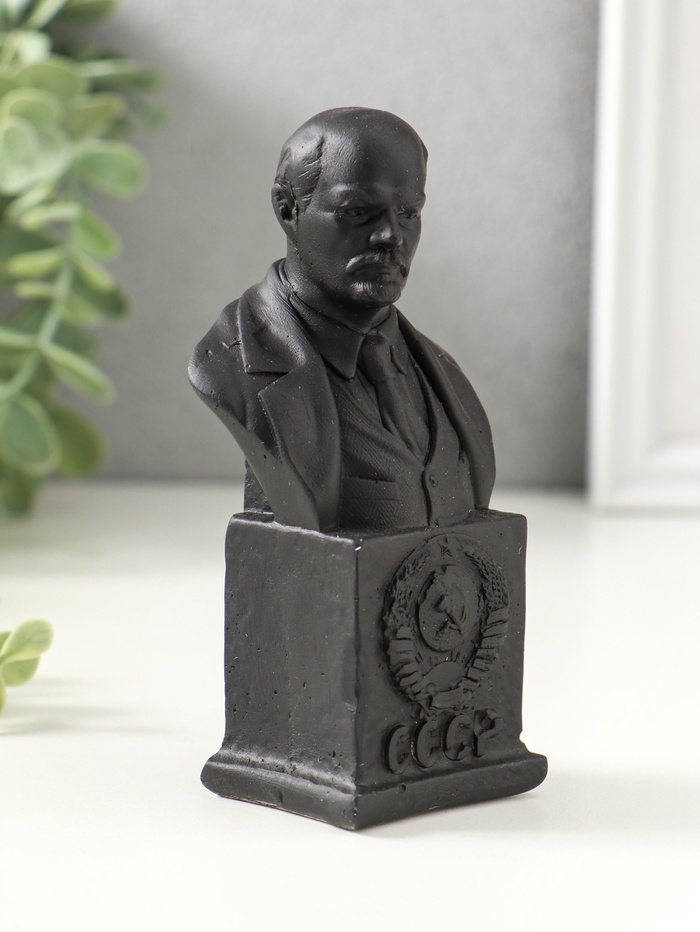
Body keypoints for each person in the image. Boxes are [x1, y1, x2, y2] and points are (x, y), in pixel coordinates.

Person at [189, 107, 495, 533]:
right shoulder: (230, 359)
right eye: (358, 212)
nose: (391, 236)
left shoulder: (444, 374)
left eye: (408, 213)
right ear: (288, 209)